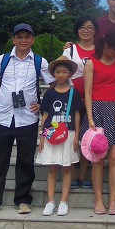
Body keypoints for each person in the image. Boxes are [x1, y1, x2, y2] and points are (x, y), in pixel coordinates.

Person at [0, 23, 56, 216]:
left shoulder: (39, 61)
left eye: (27, 37)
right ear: (13, 40)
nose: (23, 40)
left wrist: (43, 106)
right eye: (19, 37)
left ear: (33, 40)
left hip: (27, 119)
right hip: (3, 117)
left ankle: (23, 200)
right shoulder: (3, 60)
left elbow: (54, 84)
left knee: (25, 161)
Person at [82, 29, 115, 215]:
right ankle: (98, 200)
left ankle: (113, 201)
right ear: (106, 44)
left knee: (114, 157)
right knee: (98, 158)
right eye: (114, 49)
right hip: (97, 110)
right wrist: (90, 118)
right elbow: (87, 92)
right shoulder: (91, 63)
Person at [36, 56, 81, 216]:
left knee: (67, 168)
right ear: (53, 74)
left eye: (64, 72)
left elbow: (77, 114)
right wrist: (42, 136)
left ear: (70, 74)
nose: (61, 75)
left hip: (69, 133)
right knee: (52, 168)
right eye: (58, 72)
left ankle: (64, 201)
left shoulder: (74, 93)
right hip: (51, 135)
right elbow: (45, 114)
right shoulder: (49, 93)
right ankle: (50, 201)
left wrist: (77, 135)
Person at [64, 15, 97, 189]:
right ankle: (72, 175)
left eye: (90, 27)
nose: (86, 30)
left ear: (96, 31)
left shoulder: (101, 50)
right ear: (77, 31)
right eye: (82, 27)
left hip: (95, 100)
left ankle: (83, 176)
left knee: (88, 137)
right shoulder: (70, 50)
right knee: (72, 136)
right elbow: (61, 73)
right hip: (73, 99)